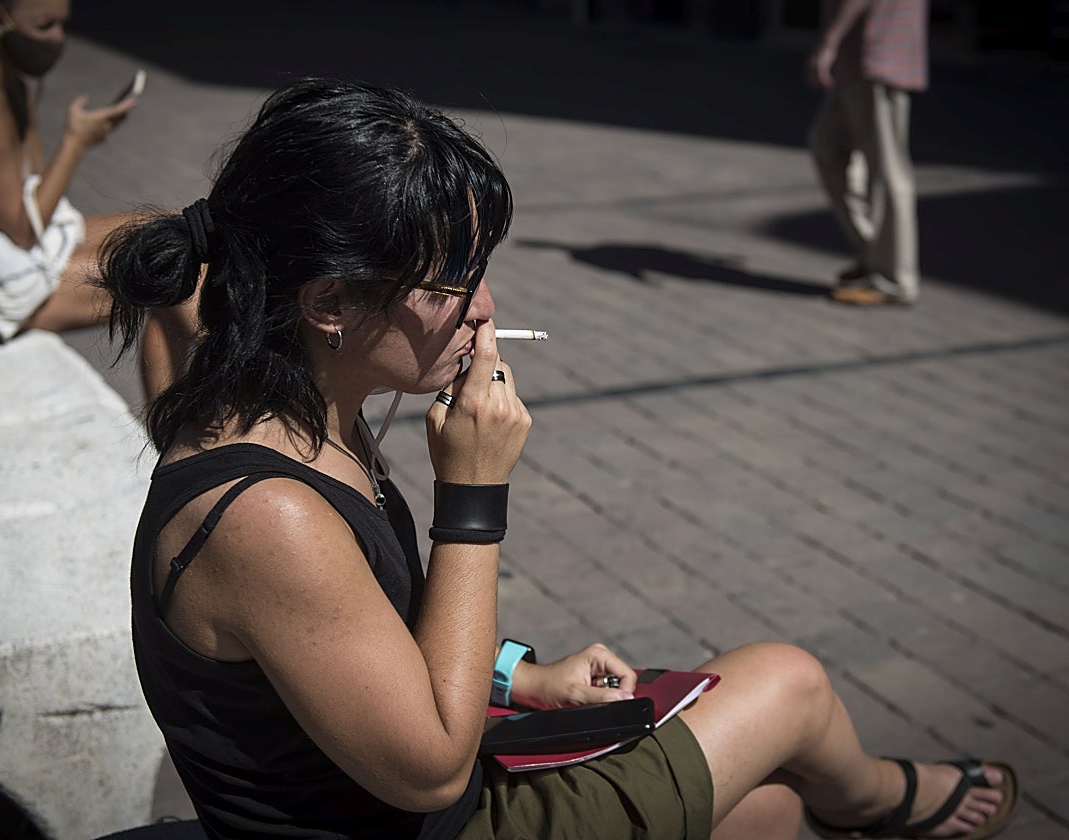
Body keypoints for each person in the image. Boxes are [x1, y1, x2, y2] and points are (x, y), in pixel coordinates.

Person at [98, 79, 1019, 839]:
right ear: (329, 300)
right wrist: (473, 492)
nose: (485, 307)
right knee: (790, 681)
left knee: (771, 811)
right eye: (452, 280)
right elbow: (426, 768)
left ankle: (863, 802)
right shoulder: (270, 512)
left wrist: (518, 677)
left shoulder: (271, 397)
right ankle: (885, 801)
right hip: (431, 820)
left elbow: (346, 630)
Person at [0, 0, 194, 399]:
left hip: (0, 248)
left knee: (176, 235)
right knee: (167, 274)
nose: (58, 39)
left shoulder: (11, 82)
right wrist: (75, 142)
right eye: (44, 26)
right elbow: (20, 228)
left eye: (62, 25)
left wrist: (79, 140)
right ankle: (178, 444)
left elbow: (36, 199)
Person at [806, 0, 929, 306]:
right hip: (860, 58)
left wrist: (828, 42)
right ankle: (877, 253)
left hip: (876, 56)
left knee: (888, 171)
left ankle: (895, 279)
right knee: (827, 147)